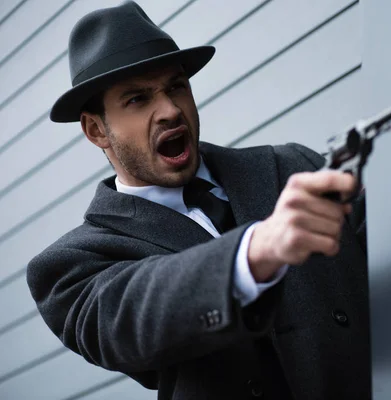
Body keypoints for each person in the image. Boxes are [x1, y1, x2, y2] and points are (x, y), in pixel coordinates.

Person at [27, 2, 370, 399]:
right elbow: (134, 316)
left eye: (176, 87)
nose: (171, 111)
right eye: (137, 100)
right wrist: (253, 251)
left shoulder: (295, 167)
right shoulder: (72, 265)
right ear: (96, 130)